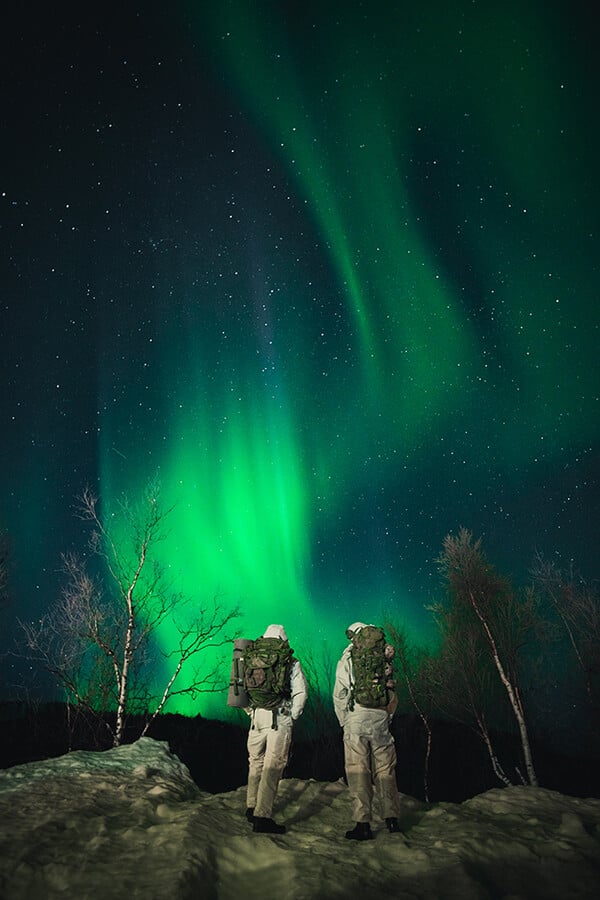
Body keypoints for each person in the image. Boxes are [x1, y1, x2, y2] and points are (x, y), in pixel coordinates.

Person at [333, 622, 402, 840]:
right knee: (385, 769)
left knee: (358, 770)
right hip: (380, 717)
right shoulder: (384, 656)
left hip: (356, 719)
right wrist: (387, 715)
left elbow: (339, 694)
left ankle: (363, 824)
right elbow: (391, 690)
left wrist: (344, 721)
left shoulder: (347, 658)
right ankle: (392, 820)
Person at [245, 624, 308, 834]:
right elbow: (301, 693)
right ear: (284, 640)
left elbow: (240, 687)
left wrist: (251, 712)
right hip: (278, 717)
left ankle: (251, 806)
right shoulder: (289, 660)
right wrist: (293, 714)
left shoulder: (251, 656)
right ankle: (262, 817)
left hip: (256, 719)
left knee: (255, 762)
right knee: (273, 766)